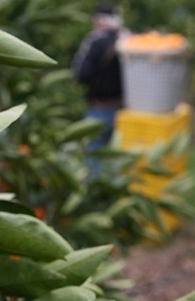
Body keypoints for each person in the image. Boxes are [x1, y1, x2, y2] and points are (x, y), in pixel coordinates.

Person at [72, 4, 125, 178]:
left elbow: (81, 74)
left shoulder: (95, 41)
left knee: (93, 157)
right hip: (124, 109)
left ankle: (96, 199)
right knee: (119, 158)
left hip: (98, 109)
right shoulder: (127, 39)